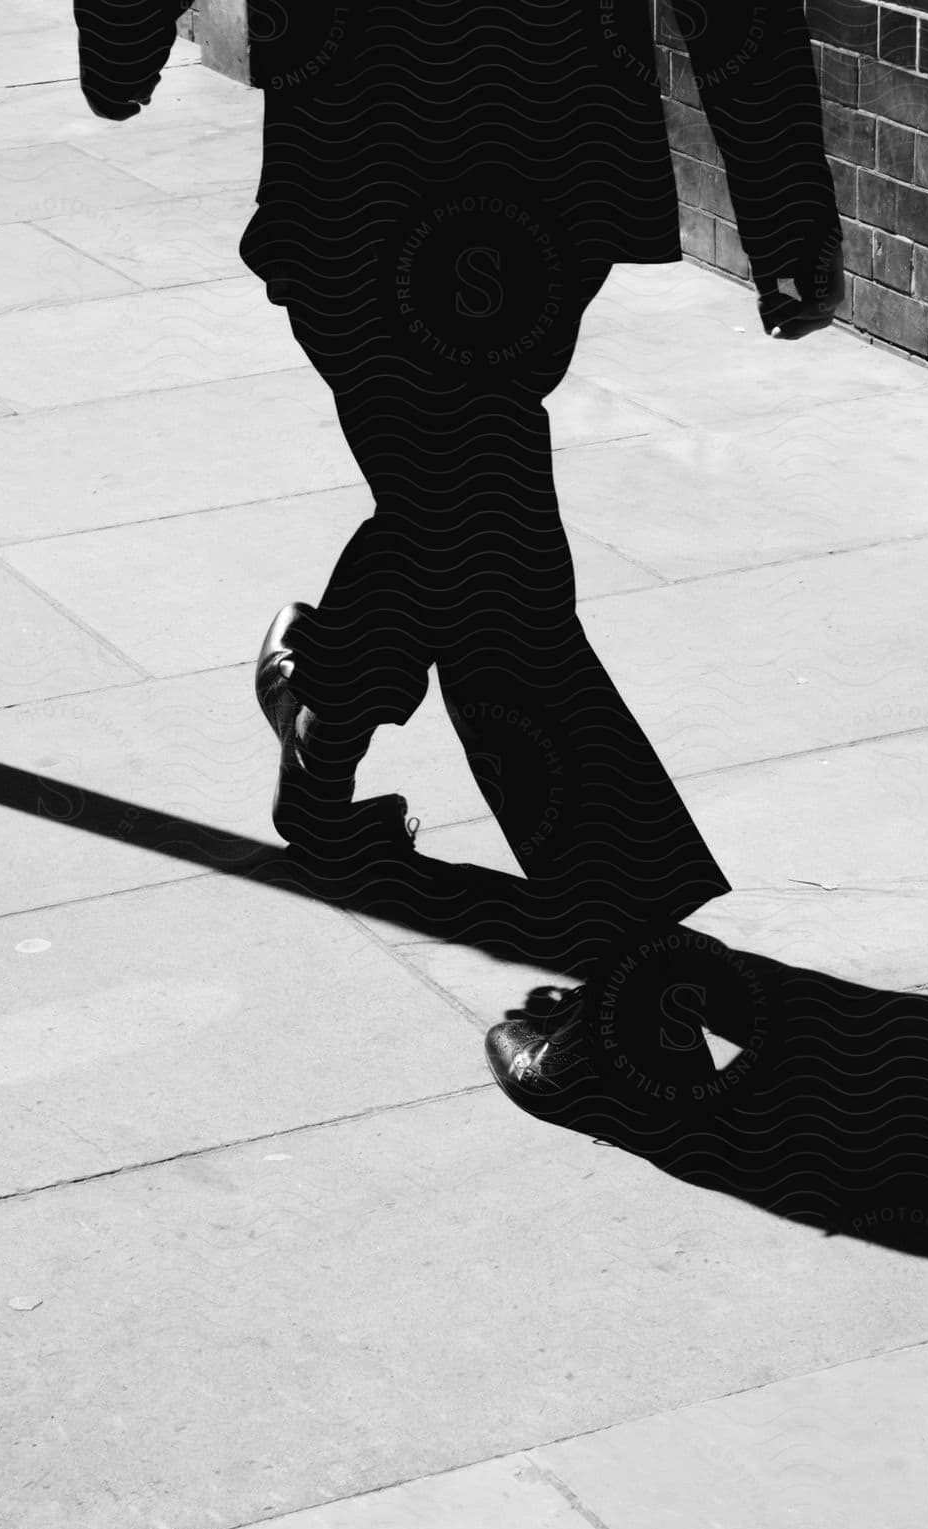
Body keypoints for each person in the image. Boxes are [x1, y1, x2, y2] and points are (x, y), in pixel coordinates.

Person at [76, 1, 845, 1114]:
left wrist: (119, 46)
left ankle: (328, 699)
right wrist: (785, 206)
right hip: (496, 166)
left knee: (464, 520)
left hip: (428, 166)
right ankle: (635, 992)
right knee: (481, 541)